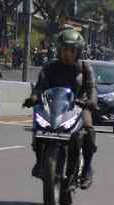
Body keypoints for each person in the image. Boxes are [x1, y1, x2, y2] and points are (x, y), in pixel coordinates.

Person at [23, 29, 97, 188]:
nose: (68, 54)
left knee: (89, 129)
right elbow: (39, 87)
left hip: (78, 106)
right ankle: (39, 161)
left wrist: (91, 101)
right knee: (38, 126)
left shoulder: (85, 68)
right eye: (64, 50)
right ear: (58, 50)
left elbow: (92, 89)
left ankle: (87, 169)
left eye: (72, 50)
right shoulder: (49, 67)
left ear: (78, 51)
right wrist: (33, 98)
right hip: (54, 106)